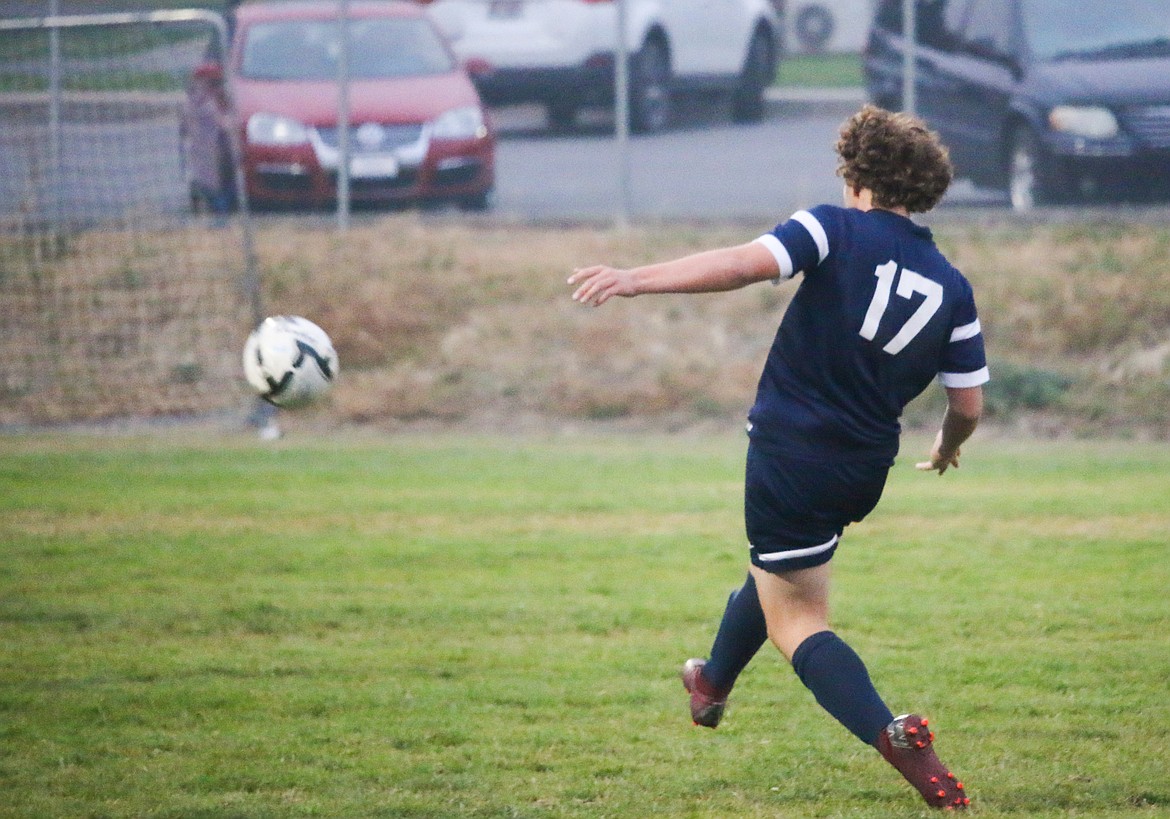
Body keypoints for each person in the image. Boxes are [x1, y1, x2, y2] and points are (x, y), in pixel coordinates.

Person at [567, 104, 987, 810]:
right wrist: (946, 447)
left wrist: (636, 277)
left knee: (799, 617)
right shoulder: (952, 284)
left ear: (858, 178)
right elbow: (969, 403)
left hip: (793, 449)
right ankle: (710, 682)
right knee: (780, 569)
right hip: (862, 468)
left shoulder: (834, 225)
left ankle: (893, 733)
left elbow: (742, 264)